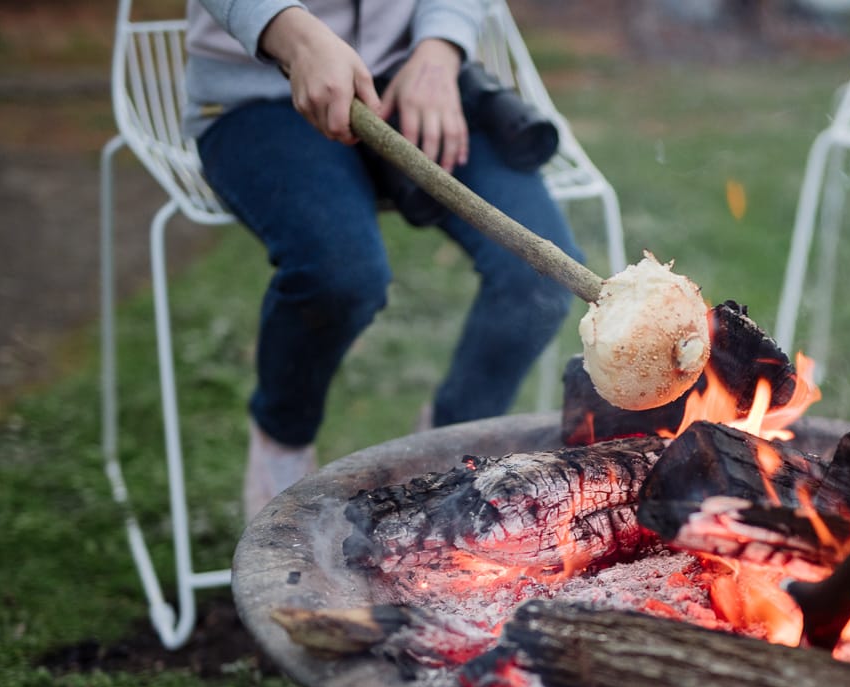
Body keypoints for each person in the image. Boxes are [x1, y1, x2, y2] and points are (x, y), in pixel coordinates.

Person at [183, 0, 581, 519]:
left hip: (414, 77)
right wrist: (296, 38)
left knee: (541, 276)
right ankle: (282, 438)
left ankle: (446, 447)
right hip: (260, 97)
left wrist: (439, 51)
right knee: (341, 274)